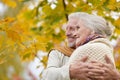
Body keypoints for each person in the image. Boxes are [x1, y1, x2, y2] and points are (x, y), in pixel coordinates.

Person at [42, 12, 120, 80]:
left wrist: (117, 77)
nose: (67, 33)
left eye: (74, 28)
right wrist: (70, 71)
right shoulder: (58, 53)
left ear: (90, 29)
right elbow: (46, 76)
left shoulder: (101, 49)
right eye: (66, 29)